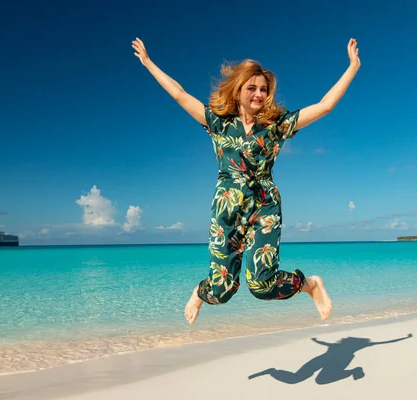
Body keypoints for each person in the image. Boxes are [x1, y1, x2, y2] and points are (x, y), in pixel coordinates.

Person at [132, 37, 360, 325]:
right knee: (222, 290)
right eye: (251, 88)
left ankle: (310, 285)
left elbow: (324, 106)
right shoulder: (218, 123)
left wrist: (352, 67)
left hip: (264, 206)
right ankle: (200, 293)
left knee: (261, 286)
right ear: (238, 90)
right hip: (227, 210)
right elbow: (179, 94)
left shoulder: (276, 126)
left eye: (263, 89)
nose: (258, 94)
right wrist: (149, 63)